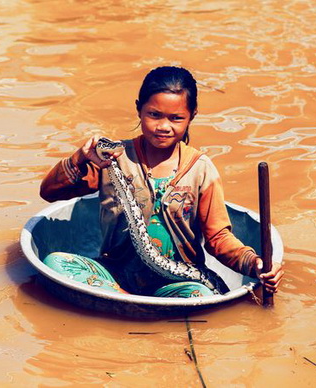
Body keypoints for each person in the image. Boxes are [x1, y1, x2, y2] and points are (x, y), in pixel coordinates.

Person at [40, 66, 283, 298]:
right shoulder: (113, 158)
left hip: (179, 281)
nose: (163, 127)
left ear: (191, 116)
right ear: (139, 110)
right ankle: (125, 297)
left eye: (176, 118)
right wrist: (79, 158)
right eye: (154, 115)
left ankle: (126, 302)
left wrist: (256, 264)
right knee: (55, 262)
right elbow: (49, 192)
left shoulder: (200, 169)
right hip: (115, 274)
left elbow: (218, 237)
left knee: (201, 294)